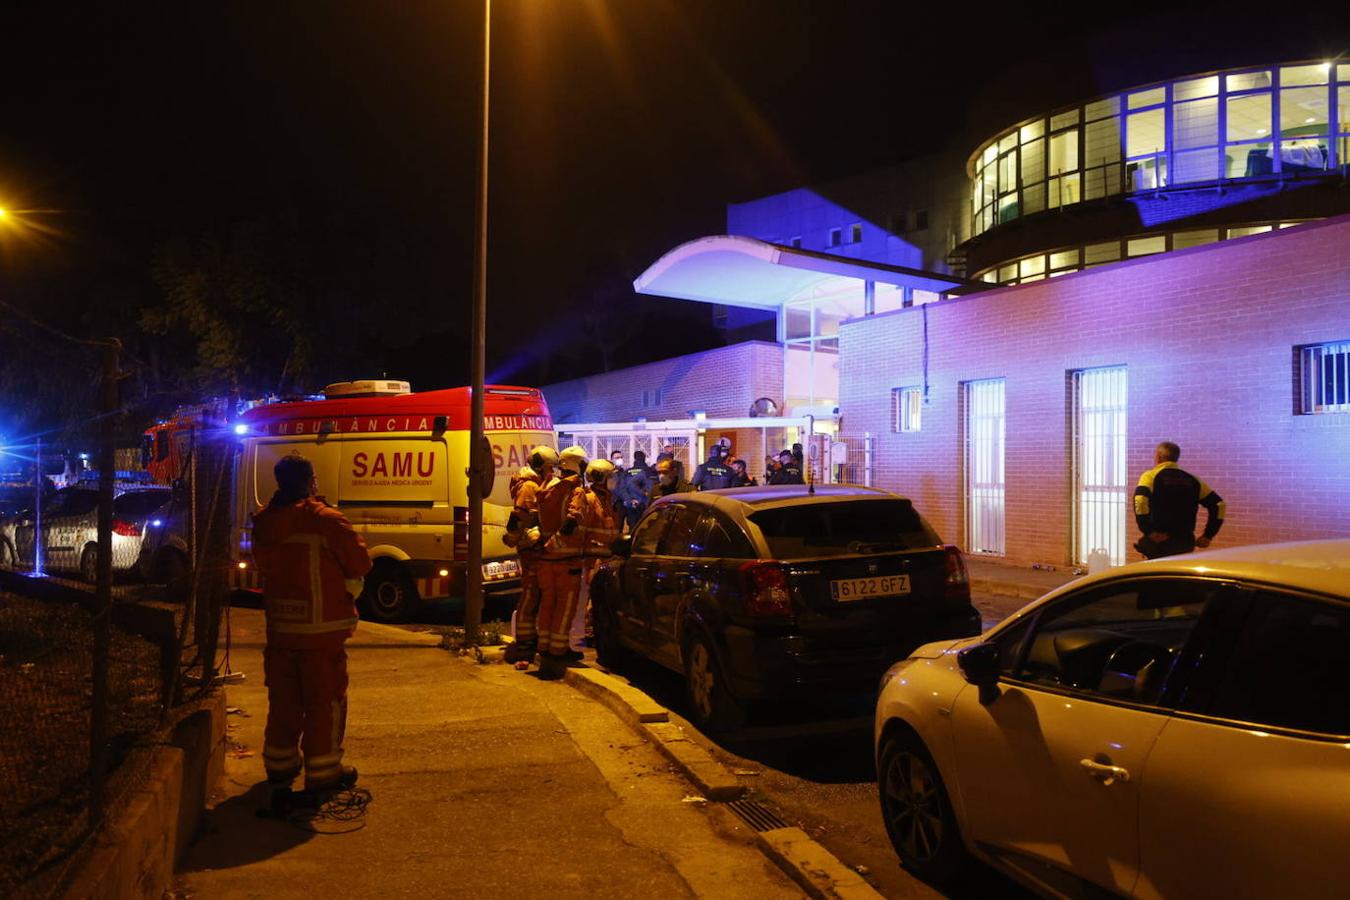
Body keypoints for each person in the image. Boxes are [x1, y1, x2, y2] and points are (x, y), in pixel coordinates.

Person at [252, 454, 372, 795]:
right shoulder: (326, 520)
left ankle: (280, 765)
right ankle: (323, 772)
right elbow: (360, 563)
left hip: (281, 628)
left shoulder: (264, 523)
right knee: (324, 702)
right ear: (309, 480)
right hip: (322, 630)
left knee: (284, 702)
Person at [533, 446, 589, 678]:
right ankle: (558, 652)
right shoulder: (574, 490)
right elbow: (571, 521)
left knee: (548, 604)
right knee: (565, 608)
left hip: (546, 560)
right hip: (566, 558)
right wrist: (558, 541)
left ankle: (545, 648)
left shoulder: (547, 486)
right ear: (578, 465)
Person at [502, 445, 559, 665]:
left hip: (536, 548)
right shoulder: (529, 486)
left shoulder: (536, 484)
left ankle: (530, 639)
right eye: (549, 468)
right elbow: (519, 517)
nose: (551, 472)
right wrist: (516, 537)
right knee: (531, 595)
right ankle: (525, 642)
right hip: (530, 549)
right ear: (539, 466)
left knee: (537, 593)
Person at [566, 459, 621, 660]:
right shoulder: (588, 500)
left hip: (602, 561)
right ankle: (575, 644)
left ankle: (589, 638)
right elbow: (579, 534)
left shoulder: (606, 500)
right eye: (611, 476)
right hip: (588, 562)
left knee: (594, 606)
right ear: (600, 478)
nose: (615, 480)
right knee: (580, 606)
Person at [1133, 441, 1226, 559]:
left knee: (1156, 576)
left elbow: (1140, 500)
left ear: (1158, 457)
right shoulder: (1193, 480)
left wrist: (1148, 530)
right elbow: (1219, 504)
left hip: (1158, 543)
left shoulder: (1150, 476)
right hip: (1184, 543)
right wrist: (1208, 535)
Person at [615, 451, 655, 532]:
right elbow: (651, 489)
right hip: (646, 507)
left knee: (633, 531)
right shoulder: (650, 471)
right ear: (644, 458)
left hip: (631, 507)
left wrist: (629, 500)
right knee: (646, 531)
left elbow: (622, 489)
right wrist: (644, 502)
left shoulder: (627, 472)